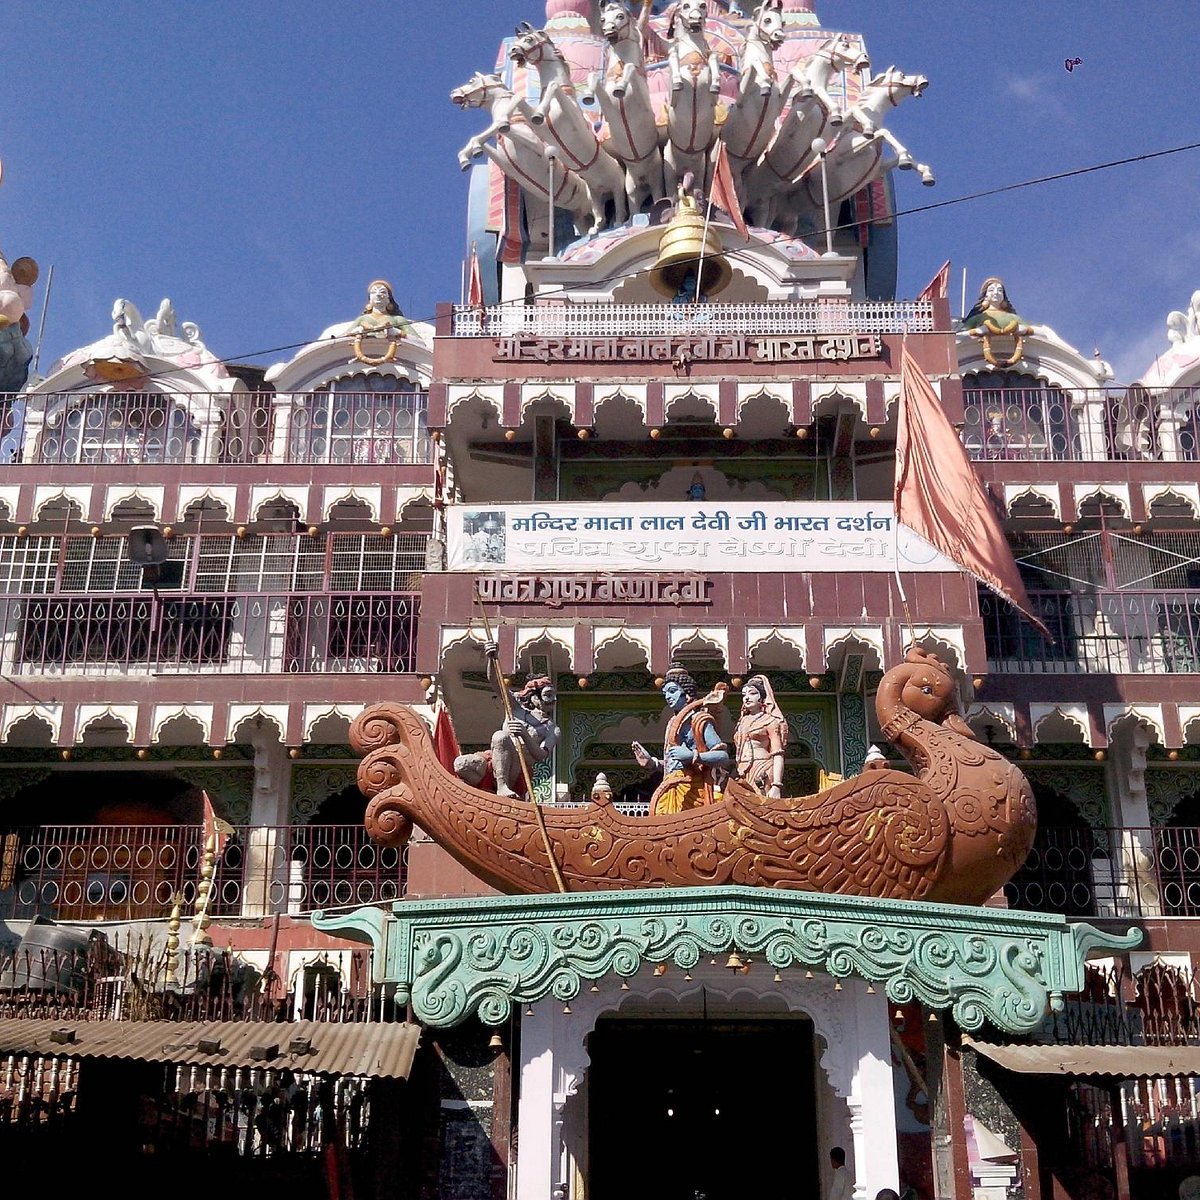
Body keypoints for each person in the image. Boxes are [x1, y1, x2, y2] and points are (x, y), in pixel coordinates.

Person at [454, 650, 560, 800]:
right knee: (461, 764)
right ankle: (474, 795)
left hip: (516, 767)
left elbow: (541, 755)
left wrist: (524, 734)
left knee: (500, 736)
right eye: (548, 695)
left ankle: (502, 786)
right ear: (534, 697)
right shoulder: (516, 707)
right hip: (494, 759)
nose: (554, 699)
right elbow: (496, 682)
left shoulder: (552, 729)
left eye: (554, 695)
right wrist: (491, 657)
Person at [632, 662, 731, 815]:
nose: (668, 697)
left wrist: (693, 755)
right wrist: (652, 763)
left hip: (692, 787)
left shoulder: (699, 720)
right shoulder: (672, 723)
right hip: (670, 786)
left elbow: (723, 756)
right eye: (665, 693)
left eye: (672, 691)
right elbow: (674, 762)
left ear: (688, 694)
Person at [732, 674, 788, 798]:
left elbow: (778, 754)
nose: (746, 698)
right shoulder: (742, 722)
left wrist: (776, 785)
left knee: (763, 803)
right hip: (742, 769)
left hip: (762, 766)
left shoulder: (770, 721)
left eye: (752, 693)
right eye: (744, 695)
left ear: (762, 697)